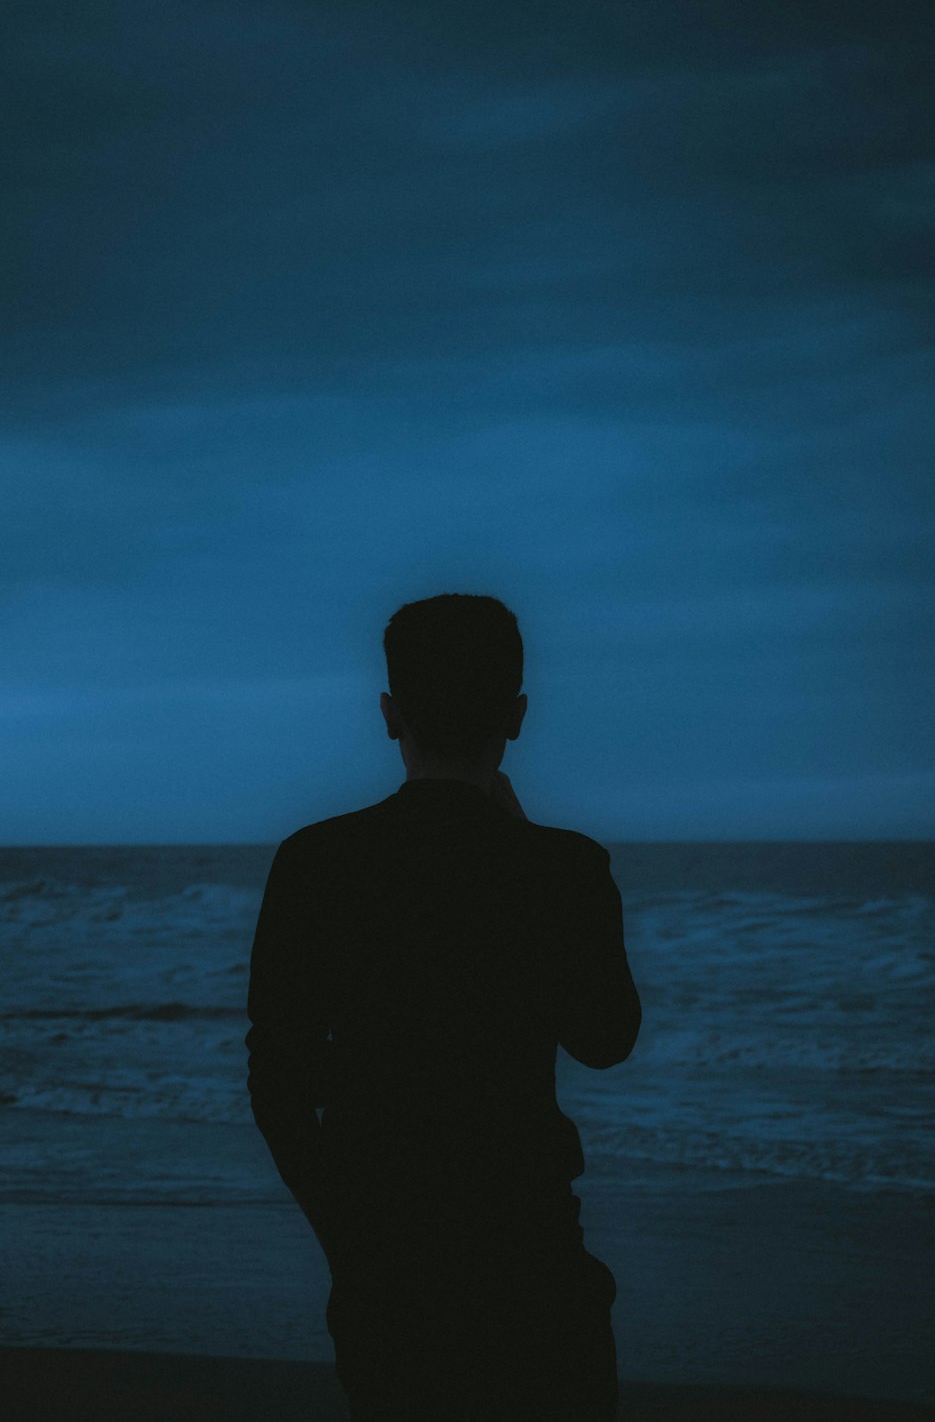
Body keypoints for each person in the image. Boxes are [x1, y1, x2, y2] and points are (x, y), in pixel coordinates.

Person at [245, 592, 642, 1420]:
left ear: (392, 715)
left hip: (386, 1271)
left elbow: (278, 1085)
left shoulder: (316, 863)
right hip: (533, 1261)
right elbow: (607, 1037)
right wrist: (530, 853)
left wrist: (349, 1242)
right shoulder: (563, 869)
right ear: (518, 715)